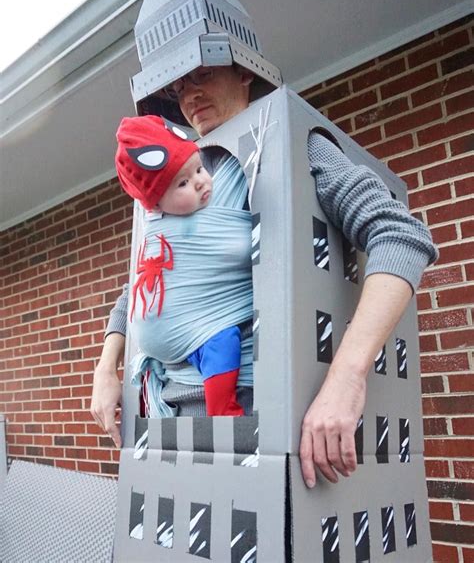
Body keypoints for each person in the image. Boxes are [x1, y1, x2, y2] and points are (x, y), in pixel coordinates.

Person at [91, 64, 437, 489]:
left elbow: (400, 236)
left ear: (242, 73)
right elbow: (145, 283)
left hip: (257, 416)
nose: (188, 96)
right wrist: (107, 369)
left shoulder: (292, 147)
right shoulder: (170, 189)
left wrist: (346, 379)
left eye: (200, 77)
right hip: (166, 416)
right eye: (179, 88)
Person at [114, 114, 249, 417]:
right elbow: (135, 287)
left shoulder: (233, 179)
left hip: (201, 330)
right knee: (221, 340)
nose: (201, 181)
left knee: (224, 341)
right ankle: (221, 410)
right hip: (181, 351)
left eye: (199, 168)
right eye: (184, 183)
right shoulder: (156, 224)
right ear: (156, 205)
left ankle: (221, 407)